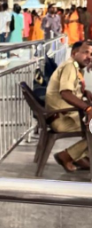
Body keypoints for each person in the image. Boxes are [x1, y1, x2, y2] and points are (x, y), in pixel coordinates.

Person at [45, 40, 92, 172]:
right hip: (62, 118)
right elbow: (65, 93)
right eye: (85, 52)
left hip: (64, 115)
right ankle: (67, 156)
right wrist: (88, 108)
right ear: (74, 53)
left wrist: (84, 92)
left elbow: (71, 90)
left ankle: (82, 157)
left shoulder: (74, 66)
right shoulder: (70, 67)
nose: (89, 56)